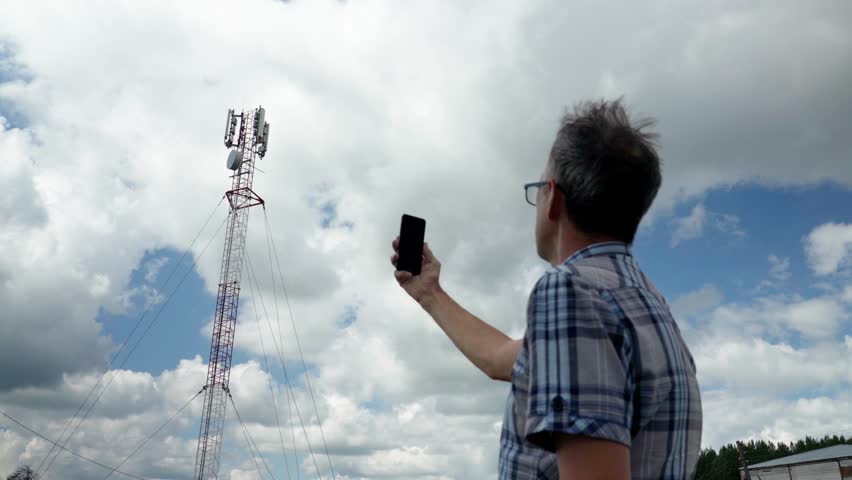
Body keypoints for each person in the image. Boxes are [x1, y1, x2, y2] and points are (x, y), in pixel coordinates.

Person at [390, 98, 702, 479]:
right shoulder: (644, 302)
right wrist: (429, 292)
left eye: (536, 189)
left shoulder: (571, 294)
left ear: (552, 198)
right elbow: (499, 357)